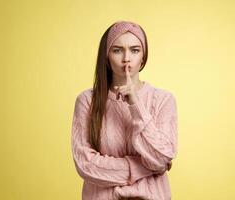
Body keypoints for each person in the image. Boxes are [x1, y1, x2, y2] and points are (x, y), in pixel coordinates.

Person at [71, 21, 178, 200]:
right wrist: (143, 167)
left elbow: (160, 158)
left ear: (143, 57)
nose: (126, 58)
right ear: (106, 57)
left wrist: (136, 105)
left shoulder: (163, 100)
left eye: (135, 50)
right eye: (117, 50)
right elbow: (86, 165)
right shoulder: (87, 101)